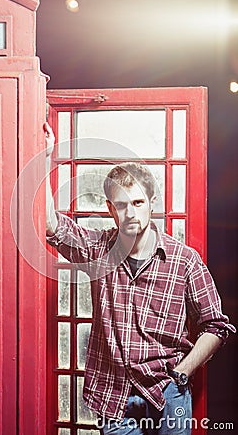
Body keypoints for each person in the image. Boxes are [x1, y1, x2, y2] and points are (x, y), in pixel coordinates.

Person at [44, 122, 235, 435]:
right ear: (110, 209)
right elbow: (52, 225)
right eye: (121, 205)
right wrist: (46, 156)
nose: (130, 213)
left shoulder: (184, 260)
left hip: (168, 391)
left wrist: (184, 371)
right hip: (113, 393)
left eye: (137, 202)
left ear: (151, 202)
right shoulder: (98, 248)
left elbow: (217, 326)